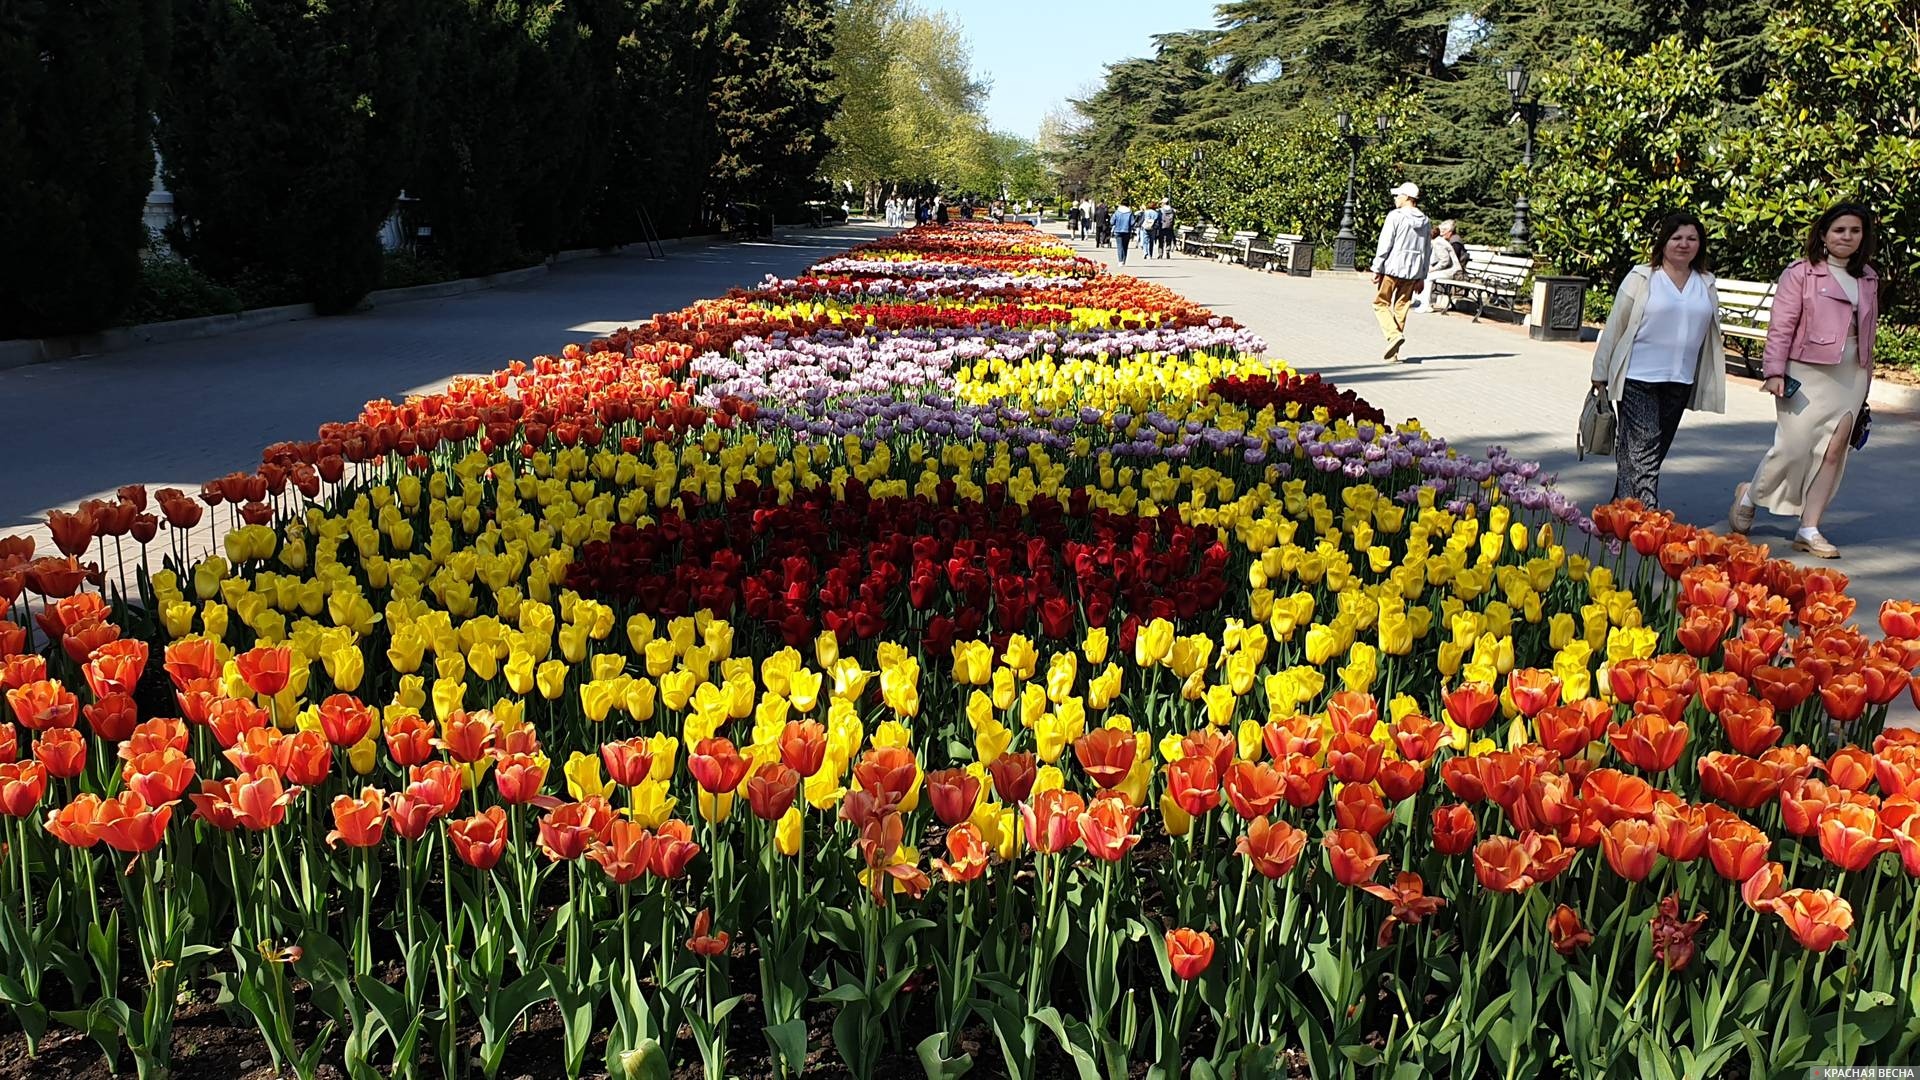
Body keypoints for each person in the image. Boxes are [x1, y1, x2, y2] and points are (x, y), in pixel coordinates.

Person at [1729, 203, 1881, 558]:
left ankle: (1809, 528)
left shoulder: (1869, 277)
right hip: (1805, 370)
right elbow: (1781, 325)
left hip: (1852, 375)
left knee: (1833, 451)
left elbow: (1869, 329)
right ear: (1824, 235)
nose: (1847, 237)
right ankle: (1750, 493)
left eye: (1855, 231)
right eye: (1839, 230)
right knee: (1793, 448)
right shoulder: (1801, 273)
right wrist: (1774, 372)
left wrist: (1868, 376)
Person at [1588, 211, 1728, 507]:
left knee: (1649, 448)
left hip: (1680, 378)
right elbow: (1616, 326)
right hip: (1638, 375)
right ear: (1663, 242)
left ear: (1700, 245)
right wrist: (1599, 370)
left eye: (1692, 238)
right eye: (1677, 238)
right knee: (1645, 444)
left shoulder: (1705, 282)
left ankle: (1620, 507)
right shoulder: (1642, 277)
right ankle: (1647, 511)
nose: (1684, 244)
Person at [1369, 182, 1431, 361]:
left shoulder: (1395, 216)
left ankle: (1393, 336)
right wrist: (1422, 276)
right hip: (1413, 273)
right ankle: (1393, 354)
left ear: (1406, 197)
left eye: (1398, 195)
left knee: (1380, 303)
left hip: (1393, 268)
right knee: (1401, 309)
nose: (1396, 198)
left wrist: (1377, 268)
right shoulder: (1426, 221)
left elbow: (1385, 243)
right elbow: (1427, 250)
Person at [1415, 221, 1461, 312]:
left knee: (1427, 277)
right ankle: (1421, 301)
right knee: (1424, 274)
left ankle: (1425, 305)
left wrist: (1433, 269)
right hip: (1449, 270)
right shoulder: (1438, 241)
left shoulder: (1438, 242)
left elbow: (1445, 261)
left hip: (1453, 271)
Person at [1110, 200, 1136, 265]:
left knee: (1119, 246)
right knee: (1125, 246)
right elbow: (1132, 222)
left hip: (1118, 231)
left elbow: (1112, 222)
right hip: (1127, 231)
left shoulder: (1117, 212)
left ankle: (1120, 261)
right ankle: (1124, 260)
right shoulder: (1130, 212)